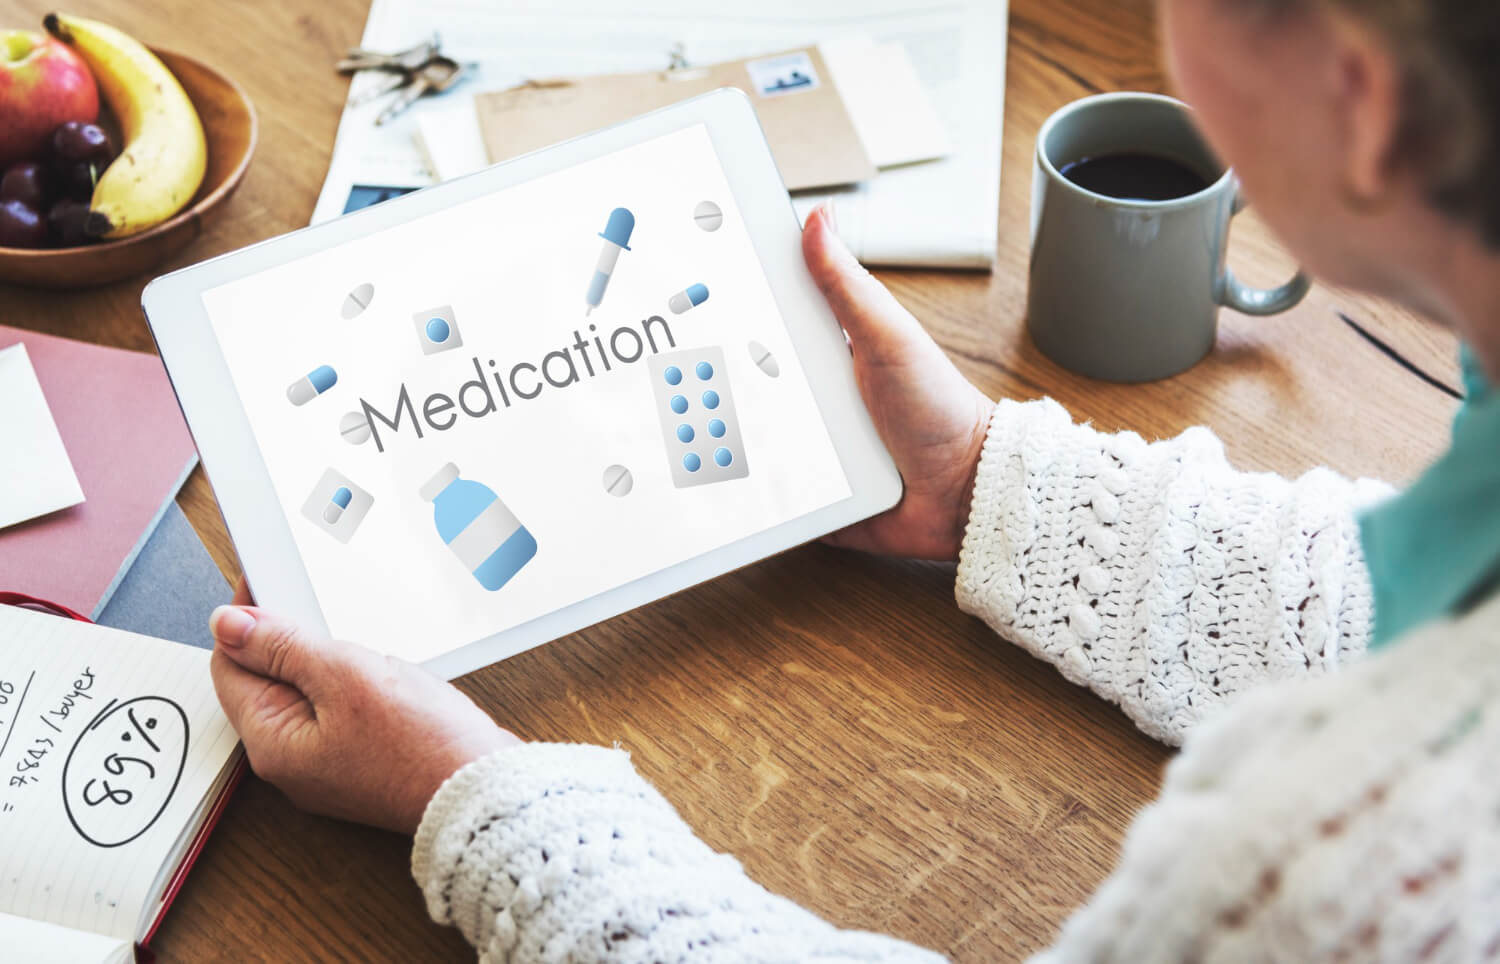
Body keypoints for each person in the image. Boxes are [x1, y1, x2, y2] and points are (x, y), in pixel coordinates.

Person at [208, 0, 1500, 958]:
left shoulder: (1364, 862)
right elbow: (1414, 611)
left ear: (1360, 100)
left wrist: (473, 804)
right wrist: (987, 483)